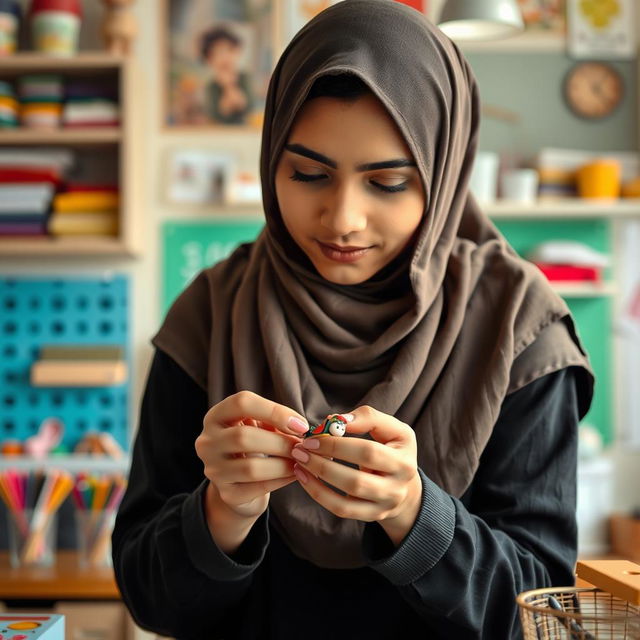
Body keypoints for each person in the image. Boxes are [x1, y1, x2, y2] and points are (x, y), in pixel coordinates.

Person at [112, 1, 594, 638]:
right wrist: (220, 511)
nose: (342, 219)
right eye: (308, 173)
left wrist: (417, 515)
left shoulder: (517, 327)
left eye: (388, 182)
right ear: (270, 162)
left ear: (444, 173)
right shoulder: (212, 311)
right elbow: (150, 600)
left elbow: (548, 619)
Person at [200, 25, 253, 125]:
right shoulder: (211, 86)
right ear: (209, 59)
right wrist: (226, 86)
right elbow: (220, 114)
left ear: (237, 51)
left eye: (229, 50)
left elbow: (246, 107)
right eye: (217, 53)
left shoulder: (245, 78)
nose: (224, 57)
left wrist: (229, 85)